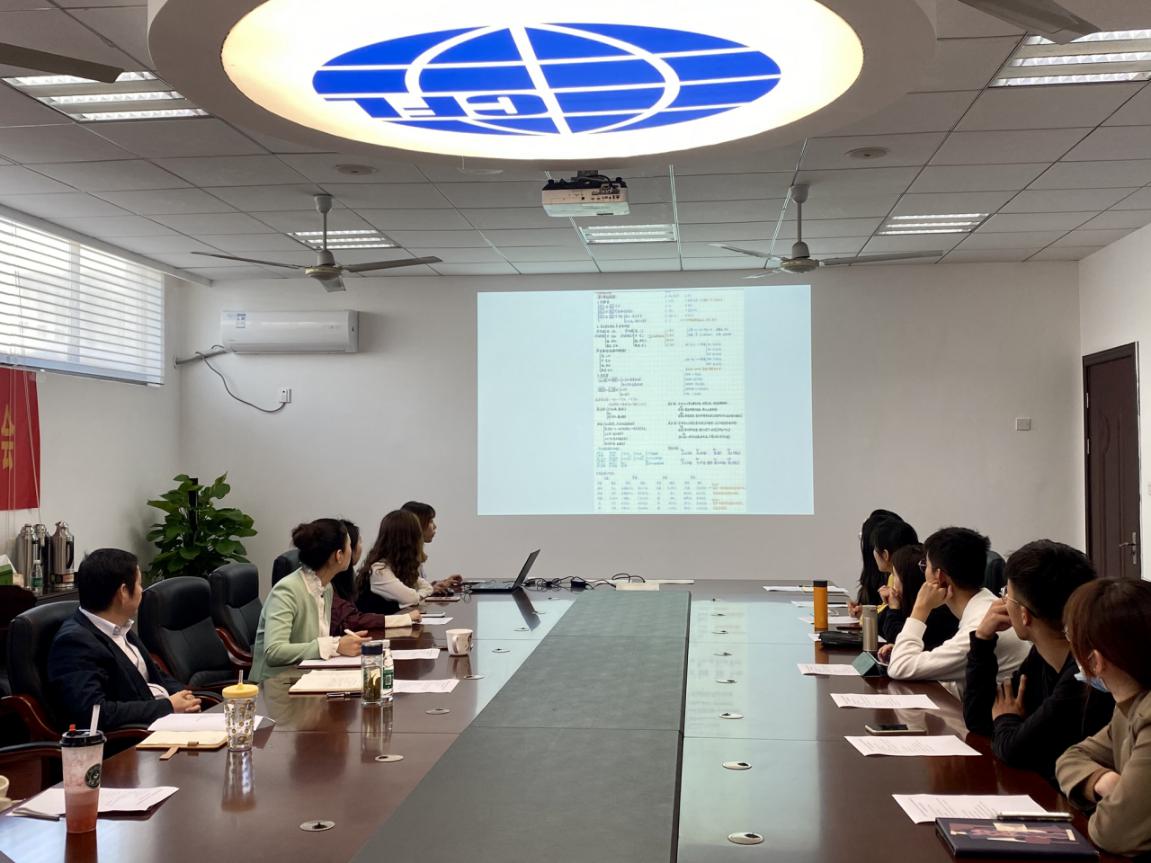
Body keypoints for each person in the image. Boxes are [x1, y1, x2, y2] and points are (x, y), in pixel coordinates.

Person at [963, 541, 1112, 781]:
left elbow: (1015, 749)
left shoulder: (1085, 676)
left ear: (1024, 615)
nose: (1002, 602)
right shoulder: (1041, 656)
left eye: (1006, 594)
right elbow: (980, 720)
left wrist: (1006, 719)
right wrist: (982, 639)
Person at [48, 548, 201, 730]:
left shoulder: (119, 626)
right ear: (123, 592)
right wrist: (167, 706)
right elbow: (94, 713)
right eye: (139, 584)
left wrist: (185, 696)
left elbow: (156, 675)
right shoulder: (74, 644)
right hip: (135, 736)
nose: (142, 591)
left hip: (167, 721)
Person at [1056, 578, 1151, 856]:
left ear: (1095, 661)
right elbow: (1070, 758)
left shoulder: (1146, 714)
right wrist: (1103, 780)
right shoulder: (1129, 705)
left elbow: (1113, 831)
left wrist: (1115, 803)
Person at [883, 526, 1028, 687]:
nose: (924, 573)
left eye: (925, 566)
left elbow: (899, 667)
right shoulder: (984, 606)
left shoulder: (981, 626)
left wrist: (920, 608)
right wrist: (911, 654)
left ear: (940, 577)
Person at [249, 519, 367, 683]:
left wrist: (337, 645)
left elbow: (316, 641)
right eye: (349, 545)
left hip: (308, 678)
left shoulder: (326, 587)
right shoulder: (286, 591)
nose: (352, 550)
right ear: (339, 556)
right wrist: (334, 646)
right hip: (275, 685)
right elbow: (274, 651)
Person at [329, 519, 420, 633]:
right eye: (359, 541)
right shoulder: (328, 586)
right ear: (339, 554)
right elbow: (352, 620)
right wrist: (402, 619)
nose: (360, 547)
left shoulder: (344, 578)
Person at [878, 544, 958, 649]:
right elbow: (881, 627)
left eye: (894, 575)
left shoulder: (937, 612)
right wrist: (891, 604)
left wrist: (894, 608)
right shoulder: (909, 603)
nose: (892, 579)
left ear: (907, 580)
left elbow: (898, 638)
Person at [401, 500, 462, 592]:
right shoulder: (401, 559)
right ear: (418, 525)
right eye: (430, 521)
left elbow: (414, 589)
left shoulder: (414, 554)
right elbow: (406, 595)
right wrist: (431, 590)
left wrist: (437, 585)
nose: (435, 526)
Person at [849, 509, 901, 615]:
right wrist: (865, 612)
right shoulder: (889, 576)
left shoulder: (895, 578)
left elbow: (889, 617)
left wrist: (868, 615)